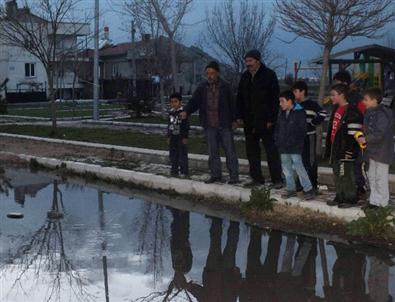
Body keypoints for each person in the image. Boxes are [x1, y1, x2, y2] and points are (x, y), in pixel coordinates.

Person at [181, 61, 239, 184]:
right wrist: (186, 111)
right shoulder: (202, 87)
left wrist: (235, 119)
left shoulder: (225, 86)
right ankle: (215, 174)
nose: (209, 76)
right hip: (209, 125)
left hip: (224, 124)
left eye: (212, 73)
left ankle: (234, 176)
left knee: (230, 151)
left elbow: (232, 104)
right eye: (208, 73)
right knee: (212, 152)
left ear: (217, 73)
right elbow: (194, 102)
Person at [236, 49, 282, 188]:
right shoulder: (245, 77)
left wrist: (271, 119)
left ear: (258, 61)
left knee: (271, 151)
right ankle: (256, 178)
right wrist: (239, 115)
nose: (248, 64)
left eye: (250, 61)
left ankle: (277, 179)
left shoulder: (269, 75)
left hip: (265, 120)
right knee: (252, 151)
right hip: (249, 121)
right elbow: (240, 98)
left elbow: (275, 99)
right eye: (246, 61)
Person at [325, 84, 363, 208]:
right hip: (336, 148)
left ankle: (350, 198)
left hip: (345, 149)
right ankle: (340, 196)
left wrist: (350, 150)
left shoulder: (352, 111)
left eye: (333, 95)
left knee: (346, 174)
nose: (331, 97)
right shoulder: (336, 108)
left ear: (342, 95)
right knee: (337, 174)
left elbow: (355, 133)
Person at [357, 88, 394, 209]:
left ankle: (382, 203)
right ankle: (374, 200)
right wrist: (362, 136)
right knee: (371, 175)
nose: (363, 102)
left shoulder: (383, 113)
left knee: (380, 177)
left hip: (382, 151)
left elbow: (380, 132)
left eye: (366, 99)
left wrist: (366, 139)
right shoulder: (369, 111)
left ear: (374, 100)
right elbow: (367, 129)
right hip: (371, 150)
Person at [274, 90, 315, 200]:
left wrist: (290, 142)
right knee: (286, 169)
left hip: (295, 147)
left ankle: (308, 189)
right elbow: (277, 128)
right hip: (283, 147)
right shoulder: (281, 112)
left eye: (282, 101)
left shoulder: (299, 112)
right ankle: (290, 188)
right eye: (279, 101)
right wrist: (277, 140)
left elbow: (301, 131)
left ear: (290, 101)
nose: (280, 104)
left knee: (299, 167)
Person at [333, 70, 367, 198]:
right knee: (346, 164)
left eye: (337, 82)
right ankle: (348, 190)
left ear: (345, 83)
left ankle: (359, 188)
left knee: (356, 163)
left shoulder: (357, 98)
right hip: (343, 138)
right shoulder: (339, 99)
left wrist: (361, 133)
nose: (334, 85)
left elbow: (365, 115)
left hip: (357, 136)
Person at [292, 81, 327, 191]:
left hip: (309, 137)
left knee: (310, 160)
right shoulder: (295, 105)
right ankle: (301, 183)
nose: (294, 93)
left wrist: (313, 123)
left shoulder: (311, 104)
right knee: (299, 160)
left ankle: (312, 184)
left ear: (303, 91)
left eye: (296, 91)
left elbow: (323, 113)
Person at [168, 93, 189, 177]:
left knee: (182, 154)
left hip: (181, 137)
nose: (173, 104)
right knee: (173, 154)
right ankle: (174, 170)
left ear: (180, 102)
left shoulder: (183, 113)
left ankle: (184, 171)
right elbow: (170, 124)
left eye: (175, 102)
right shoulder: (171, 112)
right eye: (172, 102)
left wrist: (185, 136)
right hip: (173, 136)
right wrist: (169, 135)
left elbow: (186, 125)